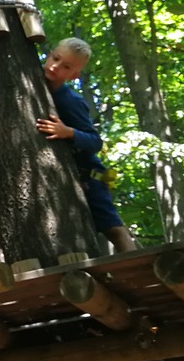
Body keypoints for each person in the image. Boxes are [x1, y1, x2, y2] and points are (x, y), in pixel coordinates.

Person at [37, 38, 136, 253]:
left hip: (90, 175)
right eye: (55, 58)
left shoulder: (70, 101)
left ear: (74, 76)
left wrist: (69, 132)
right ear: (49, 54)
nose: (55, 67)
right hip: (67, 174)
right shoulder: (34, 82)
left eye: (66, 67)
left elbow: (95, 141)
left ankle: (135, 261)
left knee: (112, 228)